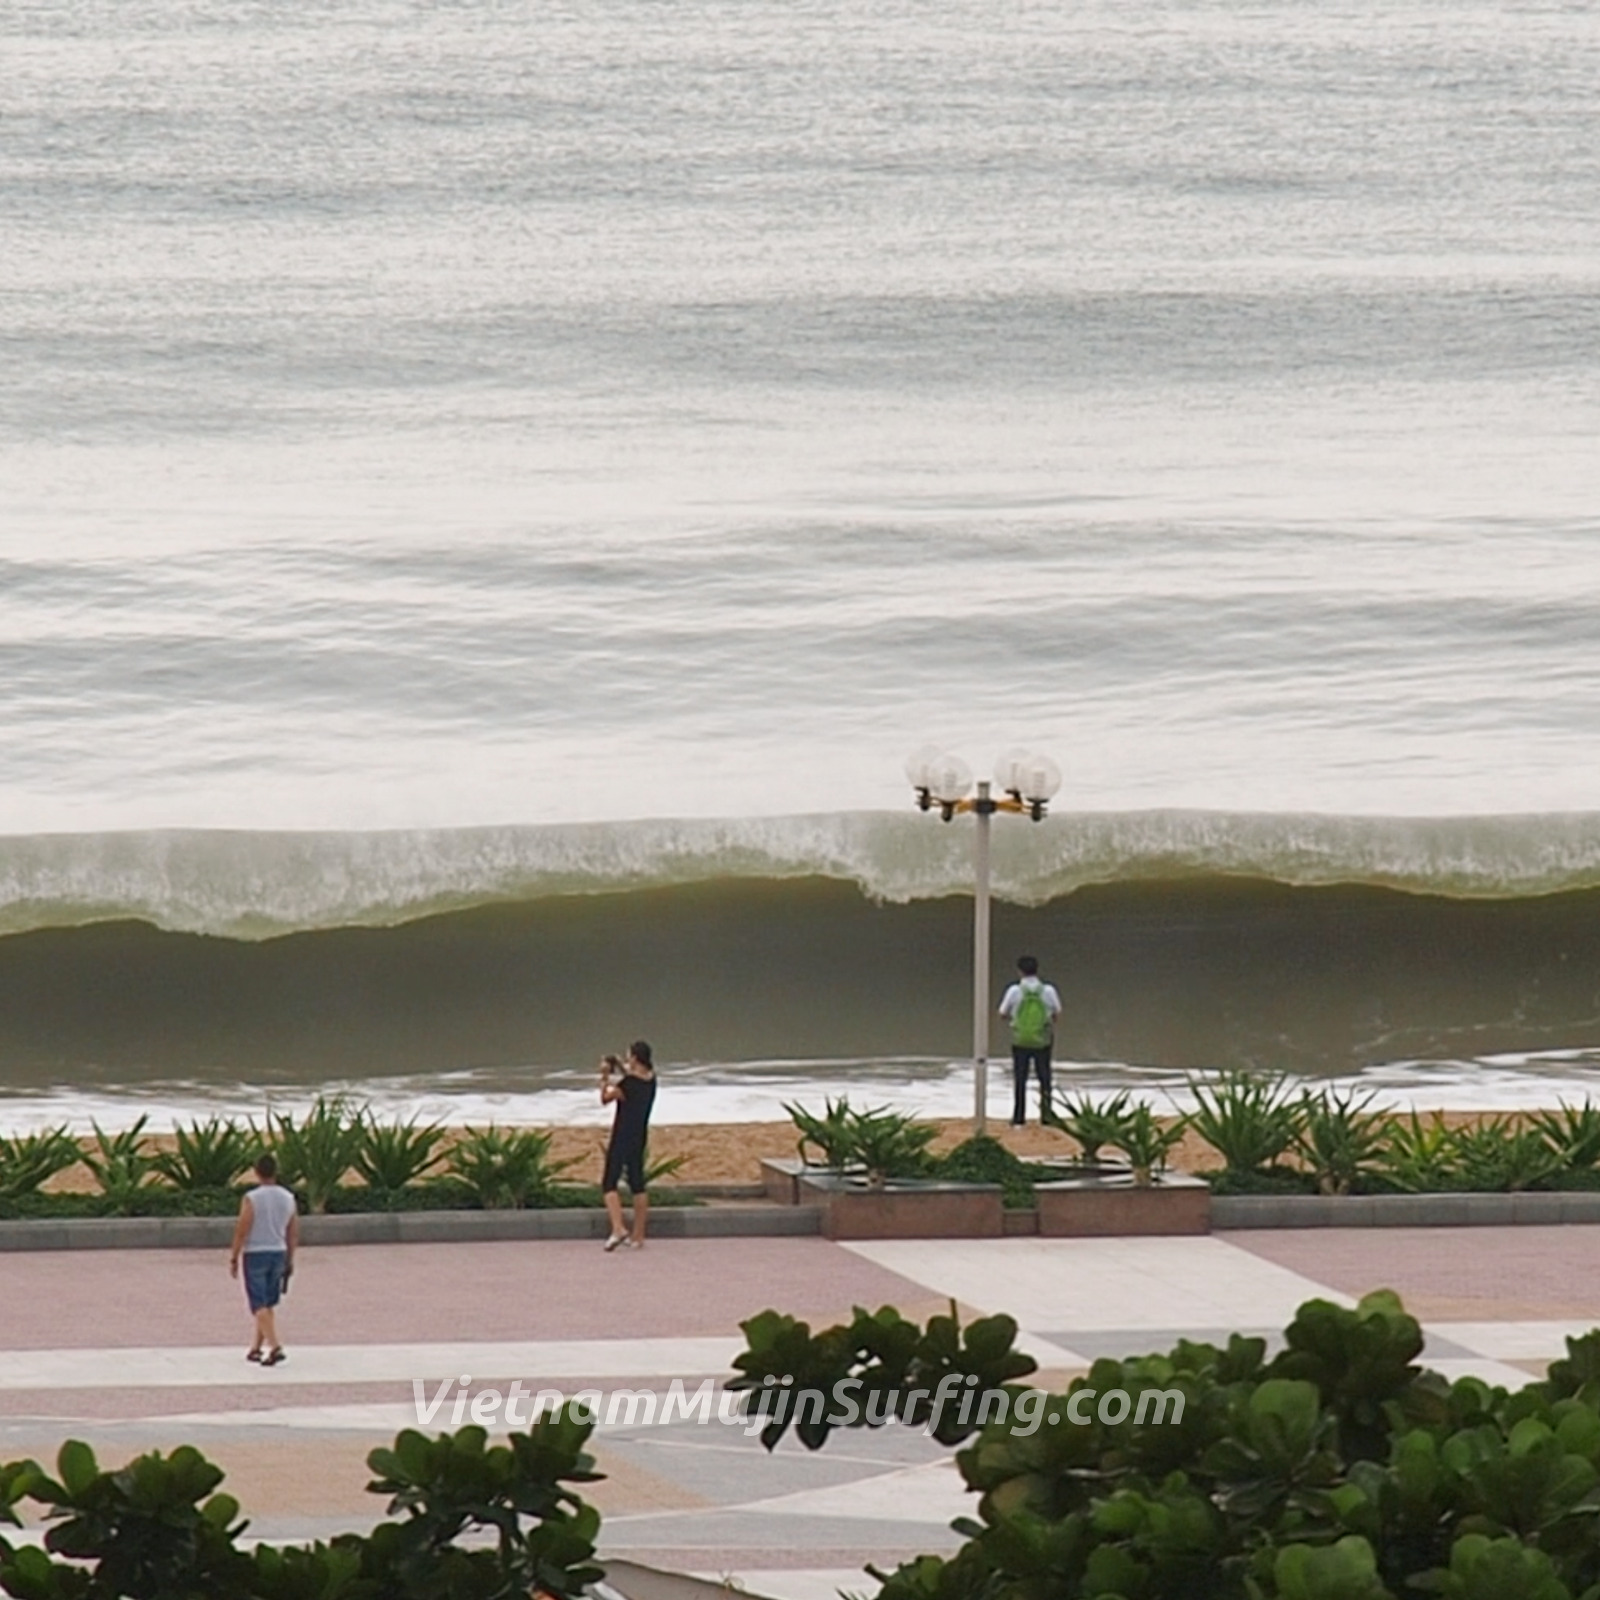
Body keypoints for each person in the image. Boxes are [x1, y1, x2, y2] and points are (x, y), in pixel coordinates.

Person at [229, 1153, 299, 1366]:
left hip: (256, 1252)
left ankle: (275, 1346)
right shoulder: (288, 1198)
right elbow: (292, 1230)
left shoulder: (252, 1198)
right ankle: (256, 1348)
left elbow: (243, 1227)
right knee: (267, 1303)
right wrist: (290, 1257)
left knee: (258, 1303)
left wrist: (234, 1255)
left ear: (257, 1172)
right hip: (278, 1251)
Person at [600, 1041, 657, 1251]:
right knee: (637, 1183)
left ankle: (618, 1228)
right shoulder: (651, 1080)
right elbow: (632, 1079)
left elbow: (605, 1098)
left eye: (628, 1056)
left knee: (609, 1182)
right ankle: (639, 1236)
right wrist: (621, 1068)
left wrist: (605, 1076)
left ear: (634, 1058)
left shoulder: (628, 1084)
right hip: (639, 1136)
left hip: (622, 1135)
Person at [998, 955, 1062, 1127]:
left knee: (1020, 1078)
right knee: (1045, 1077)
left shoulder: (1013, 991)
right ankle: (1047, 1116)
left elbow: (1002, 1013)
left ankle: (1019, 1117)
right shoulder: (1048, 990)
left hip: (1020, 1040)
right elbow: (1057, 1013)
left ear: (1019, 971)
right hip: (1043, 1040)